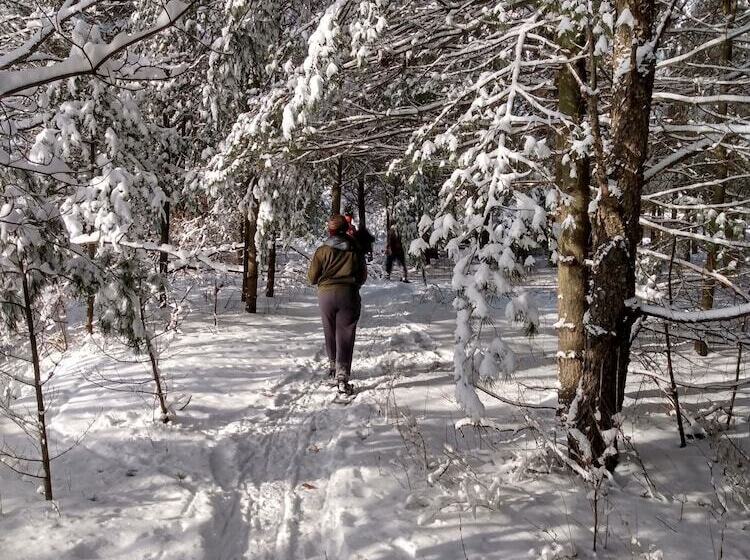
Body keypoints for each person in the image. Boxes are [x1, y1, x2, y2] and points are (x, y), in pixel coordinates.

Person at [307, 214, 367, 395]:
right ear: (346, 229)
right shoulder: (356, 249)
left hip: (326, 295)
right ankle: (342, 376)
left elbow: (312, 278)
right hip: (348, 294)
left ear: (330, 230)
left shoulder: (322, 251)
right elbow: (362, 276)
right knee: (345, 334)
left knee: (330, 331)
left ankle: (333, 366)